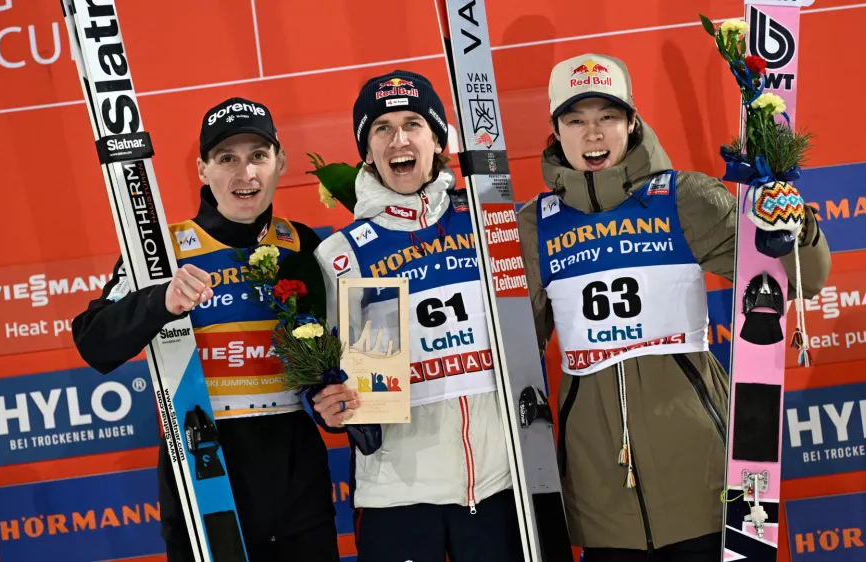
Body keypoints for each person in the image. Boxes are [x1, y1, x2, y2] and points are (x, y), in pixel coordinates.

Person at [516, 54, 833, 562]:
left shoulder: (684, 198)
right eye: (576, 120)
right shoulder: (532, 226)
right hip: (599, 493)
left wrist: (796, 227)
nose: (593, 135)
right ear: (555, 132)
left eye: (608, 118)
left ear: (632, 121)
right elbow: (515, 352)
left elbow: (805, 279)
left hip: (700, 476)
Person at [71, 97, 341, 561]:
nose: (245, 174)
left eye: (258, 155)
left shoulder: (305, 244)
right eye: (226, 159)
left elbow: (341, 360)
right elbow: (93, 341)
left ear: (281, 162)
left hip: (301, 503)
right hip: (203, 495)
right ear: (202, 169)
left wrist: (336, 402)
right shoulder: (163, 250)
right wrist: (161, 300)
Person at [310, 70, 525, 562]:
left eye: (413, 124)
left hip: (499, 485)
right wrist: (323, 400)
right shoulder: (341, 255)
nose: (399, 139)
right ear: (366, 151)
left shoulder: (490, 224)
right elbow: (320, 370)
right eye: (381, 128)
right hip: (396, 497)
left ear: (438, 139)